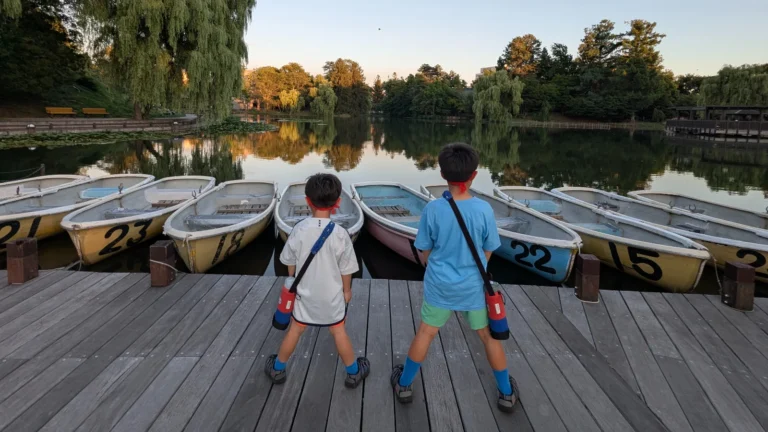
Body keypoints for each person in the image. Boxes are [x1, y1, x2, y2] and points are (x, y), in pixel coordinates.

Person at [390, 143, 519, 412]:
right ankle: (506, 392)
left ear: (442, 174)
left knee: (426, 332)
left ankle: (404, 384)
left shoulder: (433, 210)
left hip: (440, 285)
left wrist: (434, 268)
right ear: (473, 175)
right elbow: (489, 248)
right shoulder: (483, 210)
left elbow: (423, 248)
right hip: (473, 287)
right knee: (488, 337)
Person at [266, 173, 370, 387]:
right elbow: (347, 269)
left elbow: (289, 261)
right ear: (338, 203)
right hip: (332, 298)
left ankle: (278, 368)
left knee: (295, 329)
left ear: (307, 201)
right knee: (338, 331)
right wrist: (347, 291)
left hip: (304, 296)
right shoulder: (341, 234)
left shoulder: (299, 230)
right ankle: (353, 372)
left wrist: (292, 278)